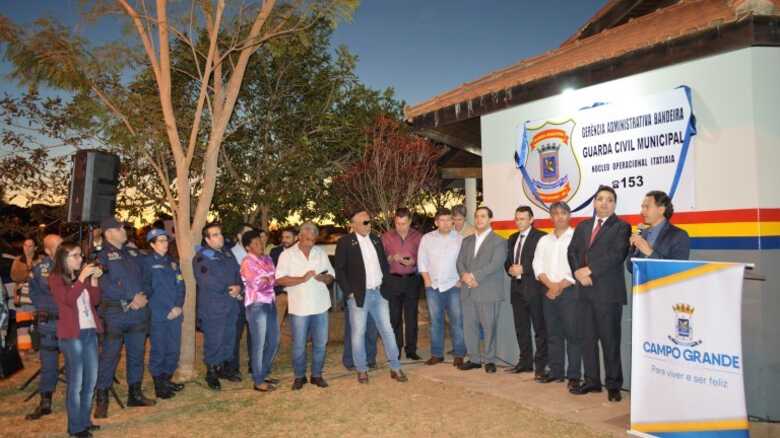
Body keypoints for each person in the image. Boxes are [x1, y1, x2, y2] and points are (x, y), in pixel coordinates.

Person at [567, 185, 631, 402]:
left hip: (608, 294)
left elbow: (617, 254)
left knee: (610, 341)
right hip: (583, 291)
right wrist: (578, 272)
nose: (604, 203)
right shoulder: (583, 226)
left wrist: (590, 270)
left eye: (609, 200)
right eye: (600, 199)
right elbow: (572, 251)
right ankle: (592, 382)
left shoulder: (622, 227)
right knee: (587, 340)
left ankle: (613, 385)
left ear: (614, 204)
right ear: (594, 202)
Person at [334, 210, 407, 384]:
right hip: (359, 295)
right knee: (358, 333)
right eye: (365, 222)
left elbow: (383, 265)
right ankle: (361, 369)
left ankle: (395, 367)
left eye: (369, 221)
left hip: (379, 293)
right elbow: (340, 270)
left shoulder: (375, 239)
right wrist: (349, 293)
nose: (369, 225)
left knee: (387, 330)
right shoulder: (345, 242)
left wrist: (387, 286)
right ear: (354, 225)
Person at [94, 217, 156, 419]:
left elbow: (147, 279)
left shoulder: (133, 253)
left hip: (138, 313)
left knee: (137, 354)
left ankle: (135, 394)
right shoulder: (101, 256)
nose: (124, 230)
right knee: (110, 356)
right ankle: (102, 399)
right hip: (115, 314)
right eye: (120, 228)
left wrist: (143, 296)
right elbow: (104, 285)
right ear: (109, 233)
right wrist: (130, 297)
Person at [49, 242, 102, 438]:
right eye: (76, 255)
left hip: (89, 331)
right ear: (64, 258)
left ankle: (85, 420)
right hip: (72, 335)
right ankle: (75, 427)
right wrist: (81, 279)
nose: (81, 259)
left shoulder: (81, 277)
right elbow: (69, 300)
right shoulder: (55, 278)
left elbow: (95, 301)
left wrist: (94, 280)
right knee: (77, 382)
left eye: (80, 255)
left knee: (91, 379)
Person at [276, 222, 334, 390]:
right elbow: (280, 279)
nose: (311, 241)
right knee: (299, 345)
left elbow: (331, 274)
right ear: (299, 236)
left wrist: (326, 278)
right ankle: (299, 376)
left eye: (313, 238)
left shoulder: (320, 252)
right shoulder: (287, 255)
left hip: (321, 305)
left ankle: (316, 375)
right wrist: (302, 279)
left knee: (321, 343)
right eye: (307, 237)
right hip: (299, 307)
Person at [532, 202, 581, 390]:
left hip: (569, 292)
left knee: (573, 335)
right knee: (553, 334)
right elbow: (537, 265)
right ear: (550, 217)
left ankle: (574, 376)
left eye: (563, 213)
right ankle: (556, 372)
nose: (559, 217)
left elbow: (579, 265)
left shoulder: (577, 237)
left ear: (569, 215)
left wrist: (559, 286)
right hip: (548, 292)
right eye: (555, 213)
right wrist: (550, 285)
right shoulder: (544, 240)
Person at [456, 206, 507, 373]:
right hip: (468, 290)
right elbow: (460, 262)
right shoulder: (467, 241)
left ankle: (490, 360)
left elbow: (495, 264)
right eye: (477, 216)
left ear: (490, 219)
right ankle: (474, 359)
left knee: (489, 327)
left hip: (487, 290)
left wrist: (473, 276)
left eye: (483, 216)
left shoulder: (499, 241)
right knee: (469, 327)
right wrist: (464, 275)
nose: (479, 219)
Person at [194, 222, 243, 390]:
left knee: (229, 338)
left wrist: (239, 286)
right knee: (214, 341)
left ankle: (223, 369)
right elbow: (207, 281)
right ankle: (211, 372)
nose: (220, 237)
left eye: (220, 233)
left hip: (231, 305)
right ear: (207, 239)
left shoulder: (228, 253)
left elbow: (238, 273)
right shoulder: (202, 257)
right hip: (214, 307)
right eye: (215, 235)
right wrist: (230, 289)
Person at [504, 206, 549, 380]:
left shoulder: (541, 237)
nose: (519, 222)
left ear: (531, 219)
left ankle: (541, 367)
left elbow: (544, 262)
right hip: (516, 290)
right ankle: (525, 362)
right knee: (521, 328)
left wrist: (525, 269)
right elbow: (508, 261)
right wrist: (509, 269)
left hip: (535, 290)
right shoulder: (512, 238)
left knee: (540, 330)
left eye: (523, 218)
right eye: (517, 218)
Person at [417, 208, 466, 367]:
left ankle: (459, 354)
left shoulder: (460, 239)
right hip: (433, 287)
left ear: (452, 221)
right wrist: (427, 280)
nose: (446, 223)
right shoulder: (427, 238)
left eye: (449, 220)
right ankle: (437, 355)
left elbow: (465, 261)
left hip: (454, 286)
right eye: (442, 220)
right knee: (435, 322)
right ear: (436, 222)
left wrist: (461, 280)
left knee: (457, 322)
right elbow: (422, 260)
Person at [141, 229, 185, 400]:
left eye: (166, 240)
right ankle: (159, 385)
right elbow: (147, 290)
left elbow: (181, 286)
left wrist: (178, 306)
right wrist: (168, 309)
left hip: (175, 313)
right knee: (159, 349)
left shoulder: (172, 262)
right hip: (159, 314)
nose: (165, 243)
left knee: (173, 350)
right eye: (160, 241)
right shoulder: (147, 263)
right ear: (152, 244)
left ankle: (167, 380)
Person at [25, 234, 63, 421]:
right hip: (49, 323)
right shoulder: (41, 269)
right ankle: (45, 401)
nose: (62, 248)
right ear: (48, 250)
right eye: (58, 246)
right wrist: (45, 308)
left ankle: (78, 397)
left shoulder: (73, 264)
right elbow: (34, 292)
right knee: (48, 364)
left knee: (75, 362)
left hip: (70, 323)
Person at [239, 230, 279, 392]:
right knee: (259, 344)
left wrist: (268, 279)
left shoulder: (267, 258)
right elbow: (257, 284)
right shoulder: (247, 262)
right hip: (256, 305)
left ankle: (264, 373)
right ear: (248, 247)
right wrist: (269, 279)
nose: (260, 245)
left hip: (270, 303)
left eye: (260, 242)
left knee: (274, 340)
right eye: (255, 243)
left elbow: (274, 278)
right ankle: (258, 380)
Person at [381, 208, 423, 360]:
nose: (400, 227)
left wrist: (414, 261)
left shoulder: (418, 237)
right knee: (394, 317)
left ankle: (411, 350)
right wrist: (391, 258)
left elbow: (424, 257)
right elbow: (380, 259)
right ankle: (395, 350)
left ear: (410, 221)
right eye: (398, 223)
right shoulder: (386, 237)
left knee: (411, 317)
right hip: (393, 280)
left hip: (412, 280)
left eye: (404, 223)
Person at [625, 190, 691, 273]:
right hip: (640, 281)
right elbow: (631, 268)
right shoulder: (642, 233)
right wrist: (631, 249)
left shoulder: (679, 235)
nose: (642, 212)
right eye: (642, 207)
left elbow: (677, 270)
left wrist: (650, 252)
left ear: (661, 210)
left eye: (647, 207)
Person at [229, 224, 255, 378]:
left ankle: (255, 366)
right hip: (238, 301)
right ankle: (233, 369)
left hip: (254, 301)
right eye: (247, 234)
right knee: (235, 336)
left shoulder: (255, 253)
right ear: (239, 236)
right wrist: (240, 295)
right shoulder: (231, 254)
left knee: (255, 335)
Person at [270, 227, 297, 326]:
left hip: (298, 289)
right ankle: (275, 333)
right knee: (281, 300)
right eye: (283, 237)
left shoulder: (300, 251)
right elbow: (272, 272)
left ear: (296, 238)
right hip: (280, 290)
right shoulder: (275, 251)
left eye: (288, 237)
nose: (284, 240)